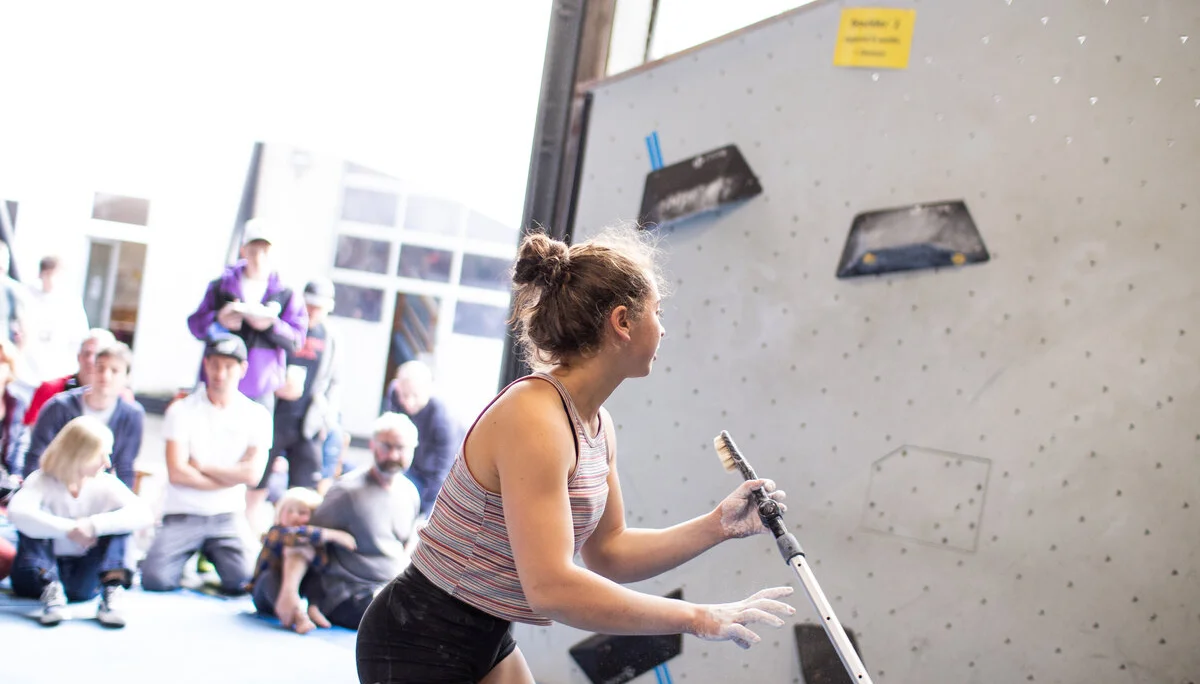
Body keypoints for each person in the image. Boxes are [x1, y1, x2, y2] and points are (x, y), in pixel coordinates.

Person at [356, 228, 795, 683]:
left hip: (484, 633)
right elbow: (551, 589)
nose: (663, 328)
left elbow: (610, 551)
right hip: (416, 633)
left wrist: (717, 525)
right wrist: (697, 617)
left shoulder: (597, 426)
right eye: (657, 312)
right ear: (622, 322)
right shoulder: (534, 417)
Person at [185, 218, 306, 519]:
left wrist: (270, 325)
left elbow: (296, 338)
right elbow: (196, 324)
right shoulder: (220, 286)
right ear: (243, 250)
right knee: (210, 445)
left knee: (256, 451)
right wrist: (219, 320)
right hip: (218, 385)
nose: (258, 256)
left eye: (265, 250)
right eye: (253, 249)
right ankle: (205, 511)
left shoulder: (286, 293)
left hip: (259, 387)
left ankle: (245, 520)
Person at [139, 335, 272, 595]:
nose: (220, 374)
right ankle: (186, 561)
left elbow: (252, 475)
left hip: (228, 515)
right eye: (215, 365)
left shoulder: (257, 415)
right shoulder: (181, 410)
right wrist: (229, 478)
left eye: (228, 366)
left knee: (246, 581)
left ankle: (211, 560)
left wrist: (202, 467)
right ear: (206, 364)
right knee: (155, 580)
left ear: (242, 369)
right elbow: (177, 473)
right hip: (182, 512)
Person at [268, 412, 420, 634]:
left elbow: (406, 548)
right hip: (348, 594)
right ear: (373, 445)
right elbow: (303, 539)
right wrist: (289, 592)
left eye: (401, 448)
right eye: (387, 446)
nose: (394, 455)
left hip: (391, 588)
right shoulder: (346, 493)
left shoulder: (410, 493)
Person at [7, 415, 152, 627]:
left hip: (81, 581)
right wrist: (70, 529)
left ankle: (111, 591)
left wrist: (93, 526)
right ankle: (52, 592)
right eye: (100, 455)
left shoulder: (106, 483)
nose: (107, 462)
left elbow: (143, 514)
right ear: (79, 454)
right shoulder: (40, 480)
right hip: (35, 579)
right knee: (31, 526)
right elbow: (18, 513)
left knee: (121, 525)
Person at [261, 277, 342, 495]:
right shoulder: (286, 328)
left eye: (319, 307)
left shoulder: (330, 337)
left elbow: (334, 382)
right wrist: (275, 386)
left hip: (309, 420)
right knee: (258, 481)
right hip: (275, 416)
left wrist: (327, 418)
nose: (313, 311)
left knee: (304, 488)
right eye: (309, 305)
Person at [24, 343, 144, 489]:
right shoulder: (59, 406)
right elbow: (36, 455)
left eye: (115, 370)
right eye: (100, 368)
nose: (106, 376)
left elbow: (125, 467)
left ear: (127, 377)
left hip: (97, 491)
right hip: (54, 485)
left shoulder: (132, 416)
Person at [248, 487, 357, 634]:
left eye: (302, 512)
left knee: (317, 577)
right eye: (289, 511)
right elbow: (294, 536)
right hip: (266, 594)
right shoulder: (276, 533)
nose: (294, 516)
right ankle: (298, 616)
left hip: (299, 592)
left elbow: (322, 564)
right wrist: (331, 534)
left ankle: (314, 607)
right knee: (270, 576)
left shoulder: (312, 542)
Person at [383, 360, 462, 517]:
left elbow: (443, 472)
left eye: (415, 396)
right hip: (409, 464)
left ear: (428, 390)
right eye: (404, 395)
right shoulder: (394, 393)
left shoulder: (443, 417)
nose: (408, 402)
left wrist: (423, 510)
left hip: (433, 476)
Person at [23, 328, 118, 429]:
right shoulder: (49, 390)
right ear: (78, 356)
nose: (90, 360)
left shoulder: (121, 399)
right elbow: (31, 431)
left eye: (97, 355)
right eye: (87, 353)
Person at [21, 256, 90, 386]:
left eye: (55, 275)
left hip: (57, 367)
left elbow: (79, 337)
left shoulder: (71, 302)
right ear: (40, 274)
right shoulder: (26, 296)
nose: (51, 280)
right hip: (28, 367)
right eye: (47, 274)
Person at [0, 339, 30, 484]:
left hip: (8, 480)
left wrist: (16, 474)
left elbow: (22, 444)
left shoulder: (17, 405)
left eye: (2, 362)